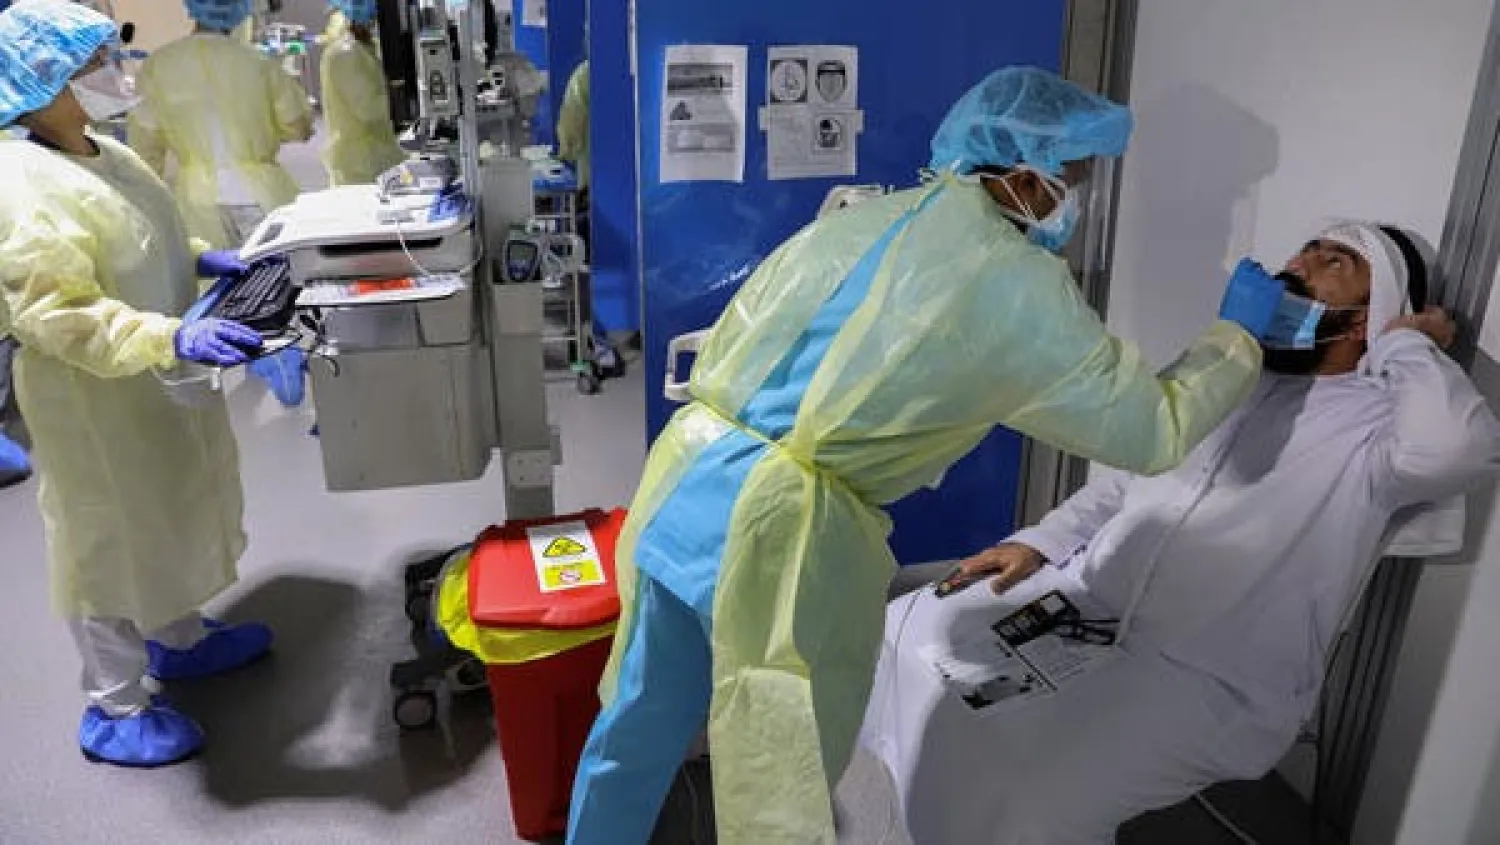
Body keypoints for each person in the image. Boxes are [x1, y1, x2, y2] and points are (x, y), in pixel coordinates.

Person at [567, 66, 1287, 845]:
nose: (1075, 198)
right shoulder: (1015, 284)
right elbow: (1152, 430)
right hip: (776, 535)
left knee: (639, 719)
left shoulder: (875, 215)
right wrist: (1235, 339)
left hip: (685, 481)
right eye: (1071, 176)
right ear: (1022, 174)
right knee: (781, 771)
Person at [861, 222, 1500, 844]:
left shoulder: (1376, 430)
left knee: (1033, 807)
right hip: (1087, 604)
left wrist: (1407, 344)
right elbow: (1123, 474)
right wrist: (1042, 542)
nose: (1300, 264)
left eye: (1335, 263)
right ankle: (902, 814)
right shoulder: (1228, 376)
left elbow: (1459, 451)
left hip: (1207, 674)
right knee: (902, 629)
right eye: (1305, 249)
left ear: (1371, 315)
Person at [0, 0, 275, 768]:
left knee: (167, 505)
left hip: (148, 380)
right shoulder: (16, 181)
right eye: (88, 63)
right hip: (88, 396)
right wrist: (169, 335)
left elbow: (142, 227)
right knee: (103, 539)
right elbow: (58, 314)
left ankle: (178, 635)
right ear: (39, 80)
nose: (112, 72)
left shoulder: (103, 150)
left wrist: (198, 259)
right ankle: (114, 705)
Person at [319, 1, 404, 187]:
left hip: (374, 158)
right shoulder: (345, 54)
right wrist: (398, 95)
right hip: (359, 166)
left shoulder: (364, 47)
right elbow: (369, 110)